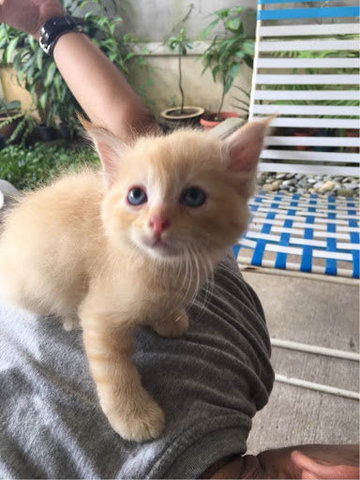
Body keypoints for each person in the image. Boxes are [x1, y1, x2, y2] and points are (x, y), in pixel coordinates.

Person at [0, 1, 358, 478]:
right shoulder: (238, 357)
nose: (159, 221)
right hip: (29, 272)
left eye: (191, 197)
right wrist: (123, 397)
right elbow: (101, 319)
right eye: (138, 197)